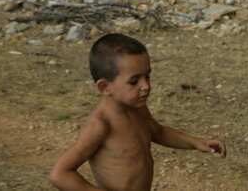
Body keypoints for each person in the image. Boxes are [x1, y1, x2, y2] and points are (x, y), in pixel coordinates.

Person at [49, 33, 226, 191]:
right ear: (105, 87)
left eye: (147, 76)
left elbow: (159, 132)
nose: (146, 86)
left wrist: (196, 142)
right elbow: (60, 174)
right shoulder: (101, 124)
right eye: (134, 81)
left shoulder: (138, 108)